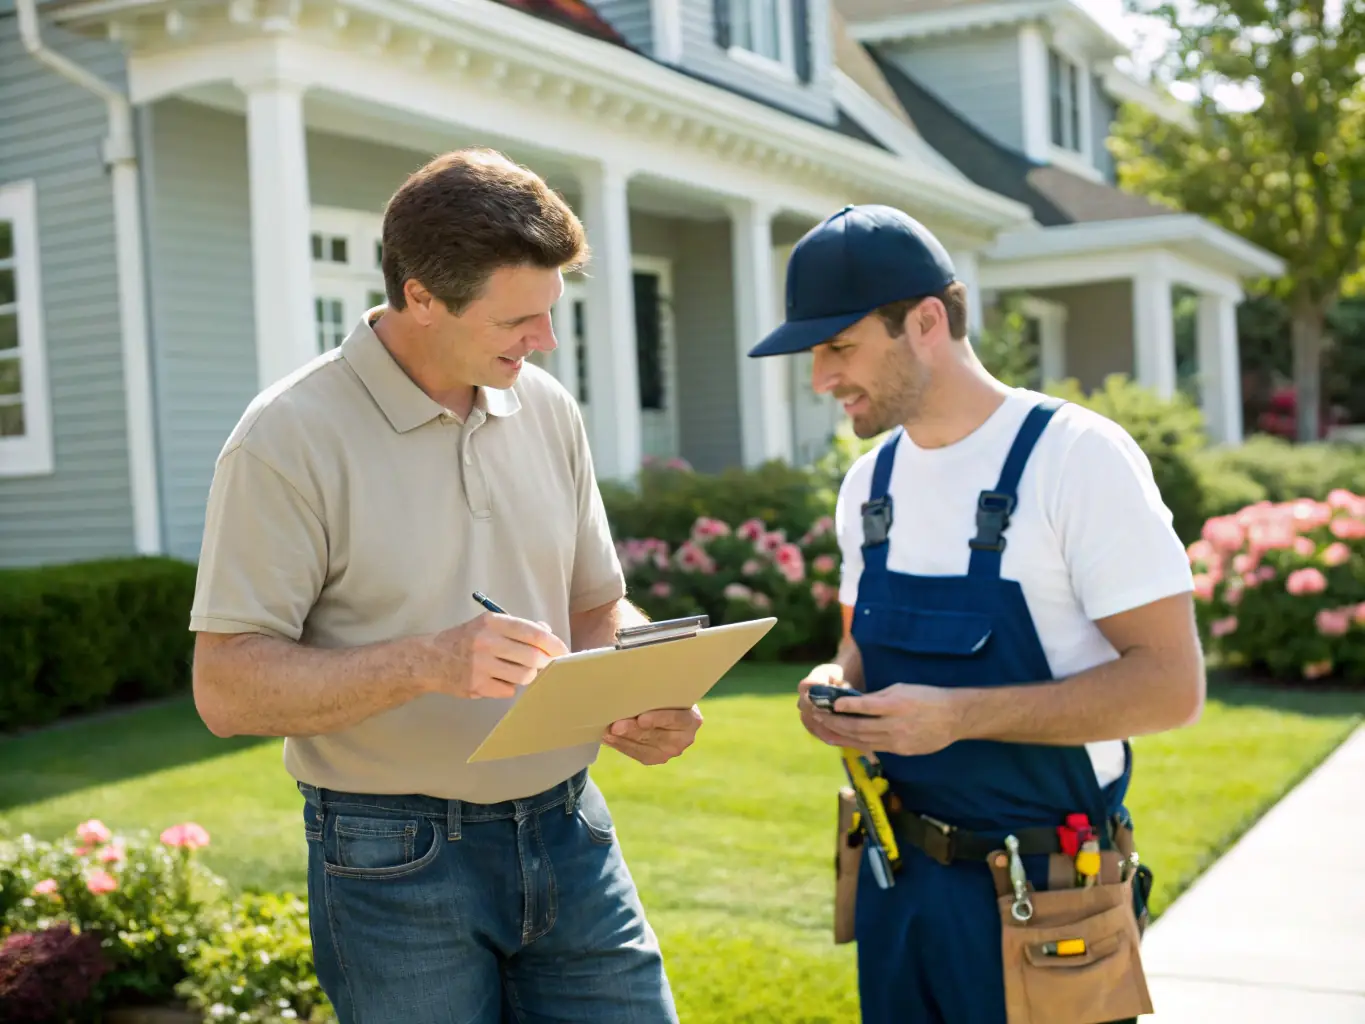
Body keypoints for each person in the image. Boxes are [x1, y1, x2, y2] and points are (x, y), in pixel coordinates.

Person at [188, 147, 700, 1023]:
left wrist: (644, 686)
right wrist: (428, 662)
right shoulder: (286, 437)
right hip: (391, 857)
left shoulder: (546, 408)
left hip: (571, 831)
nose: (543, 342)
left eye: (550, 312)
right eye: (516, 322)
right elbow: (227, 687)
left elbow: (593, 602)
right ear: (419, 296)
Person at [748, 204, 1205, 1023]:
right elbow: (858, 645)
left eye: (837, 347)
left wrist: (958, 716)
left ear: (925, 321)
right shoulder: (869, 483)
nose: (819, 379)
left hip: (1046, 899)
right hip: (897, 887)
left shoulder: (1075, 459)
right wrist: (833, 682)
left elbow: (1170, 688)